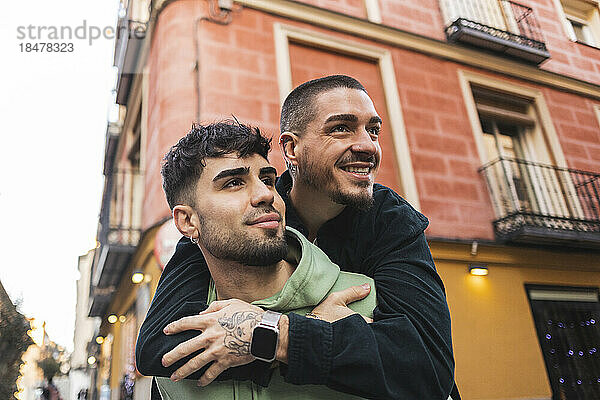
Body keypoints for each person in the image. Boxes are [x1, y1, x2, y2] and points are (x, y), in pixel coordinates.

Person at [136, 75, 458, 399]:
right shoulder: (248, 218)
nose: (367, 145)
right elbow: (157, 346)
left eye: (373, 130)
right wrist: (303, 335)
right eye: (341, 128)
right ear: (291, 148)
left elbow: (428, 367)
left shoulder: (391, 221)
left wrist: (281, 336)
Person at [155, 120, 377, 399]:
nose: (265, 194)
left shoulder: (366, 300)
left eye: (268, 180)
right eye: (234, 183)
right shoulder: (177, 351)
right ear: (187, 221)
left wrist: (300, 334)